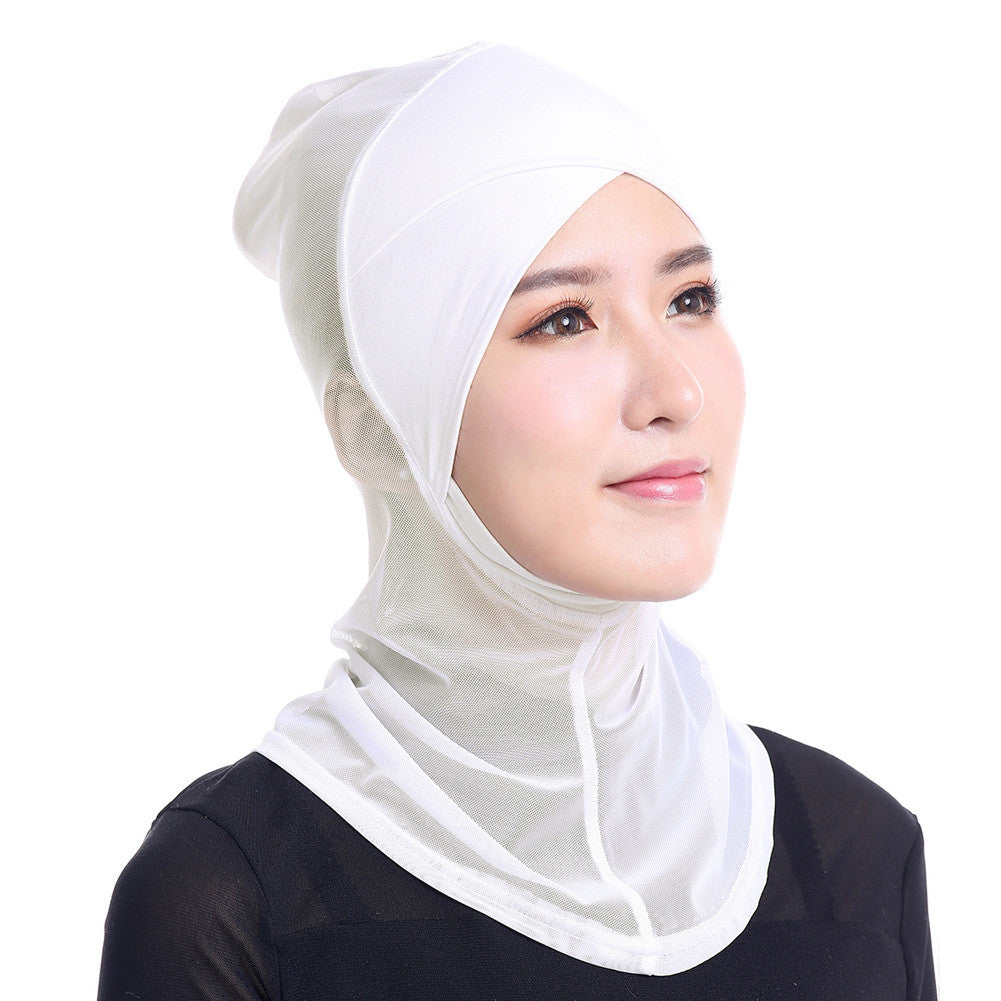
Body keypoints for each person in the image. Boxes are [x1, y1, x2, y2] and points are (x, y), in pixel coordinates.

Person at [97, 43, 935, 999]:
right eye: (565, 319)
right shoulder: (231, 896)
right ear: (378, 428)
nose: (676, 391)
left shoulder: (857, 857)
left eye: (688, 299)